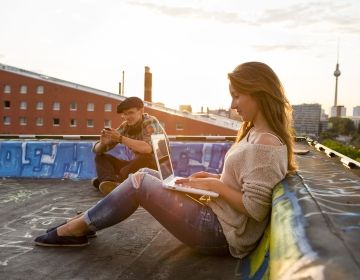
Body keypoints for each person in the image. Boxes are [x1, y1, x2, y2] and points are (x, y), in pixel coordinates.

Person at [34, 62, 297, 259]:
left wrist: (216, 187)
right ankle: (87, 221)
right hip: (217, 217)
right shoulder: (255, 134)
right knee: (147, 173)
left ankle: (77, 228)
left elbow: (255, 208)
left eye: (237, 95)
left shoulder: (266, 143)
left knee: (139, 183)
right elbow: (244, 184)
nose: (232, 104)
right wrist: (212, 178)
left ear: (259, 93)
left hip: (221, 233)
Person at [92, 96, 166, 195]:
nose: (127, 117)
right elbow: (97, 150)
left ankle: (118, 181)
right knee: (100, 157)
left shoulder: (150, 122)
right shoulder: (125, 126)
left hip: (155, 169)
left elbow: (147, 149)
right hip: (135, 167)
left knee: (144, 157)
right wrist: (102, 143)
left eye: (131, 113)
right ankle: (108, 182)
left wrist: (120, 138)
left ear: (141, 111)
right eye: (125, 114)